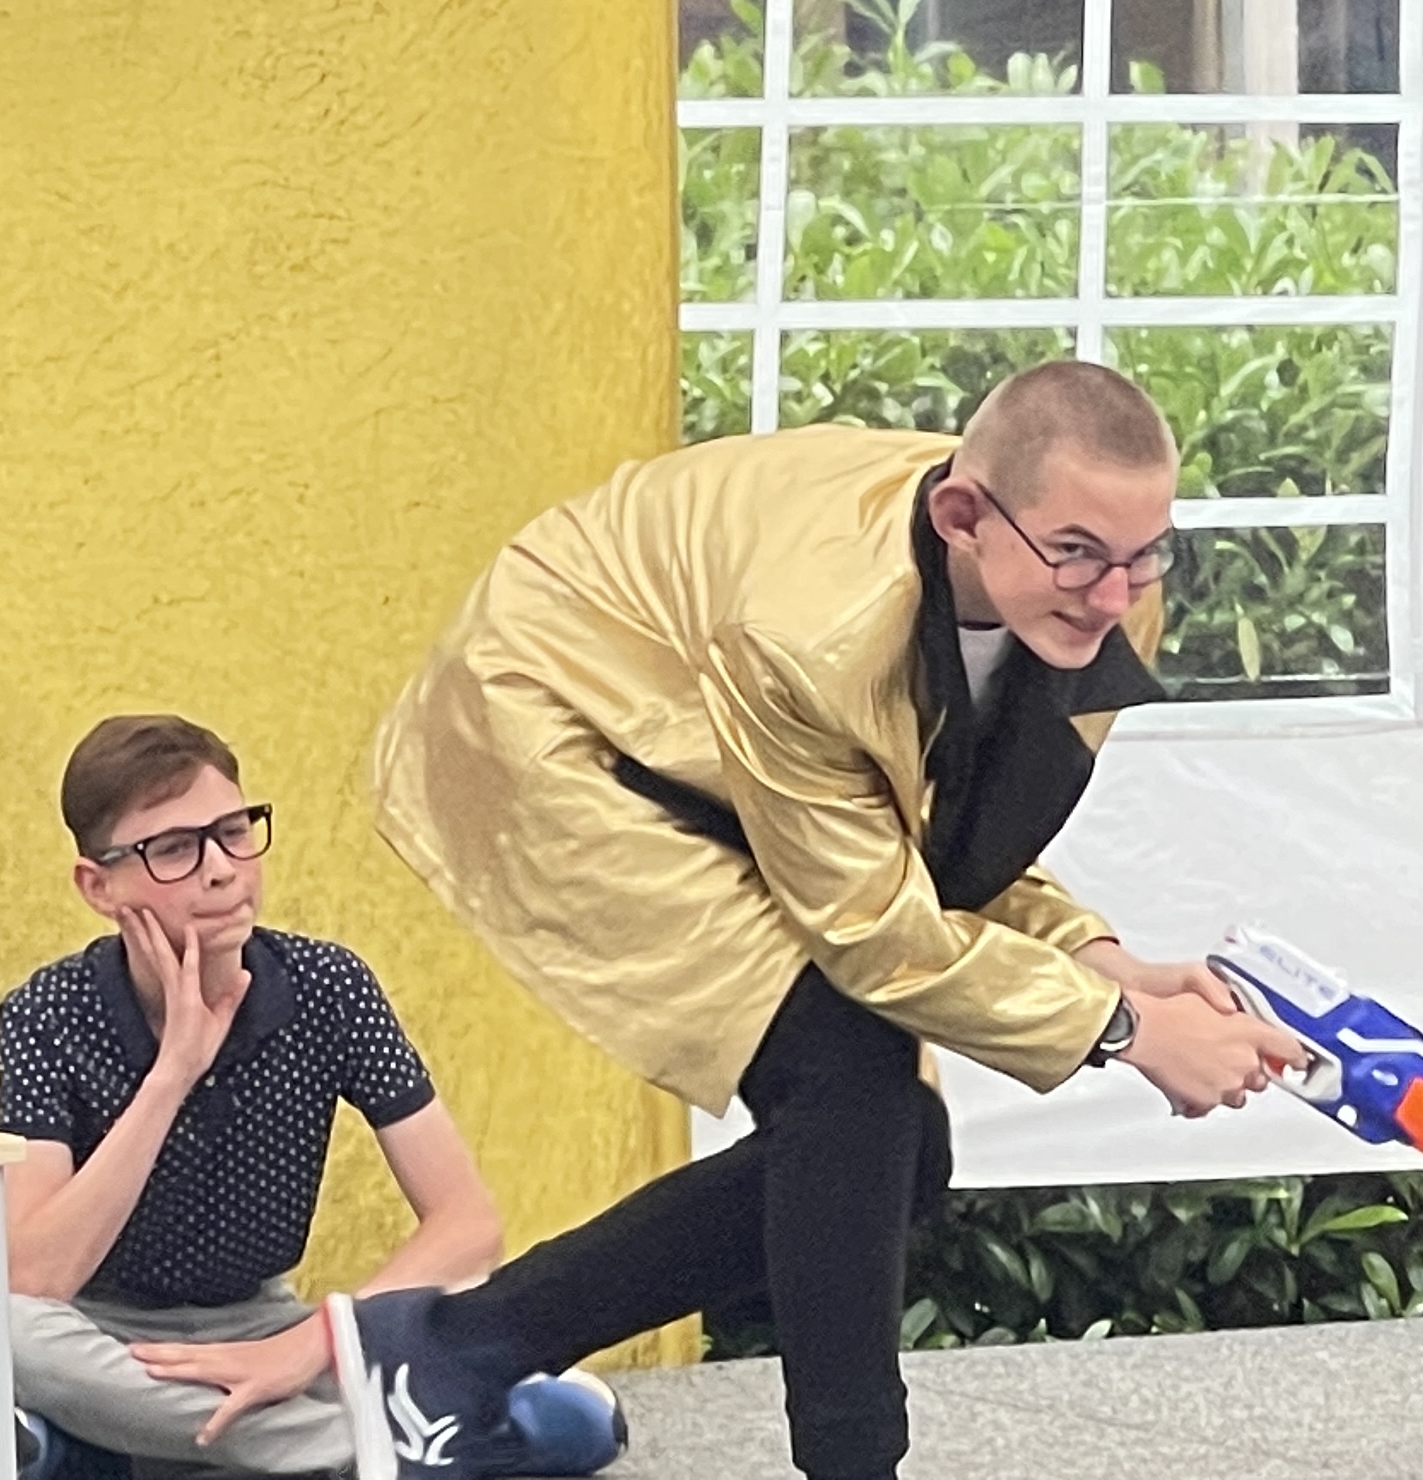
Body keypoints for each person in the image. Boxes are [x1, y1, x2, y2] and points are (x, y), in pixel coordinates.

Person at [333, 366, 1311, 1480]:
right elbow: (878, 936)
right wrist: (1123, 1031)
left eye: (1145, 553)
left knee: (897, 1154)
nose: (1113, 594)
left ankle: (445, 1357)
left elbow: (951, 830)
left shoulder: (1093, 587)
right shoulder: (815, 632)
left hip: (724, 715)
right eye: (1079, 554)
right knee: (849, 1082)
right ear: (964, 515)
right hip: (559, 711)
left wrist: (1101, 961)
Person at [0, 715, 620, 1480]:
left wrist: (315, 1341)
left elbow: (466, 1223)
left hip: (266, 1324)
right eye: (175, 849)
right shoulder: (47, 1013)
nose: (221, 870)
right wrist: (171, 1076)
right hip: (107, 1331)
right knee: (6, 1329)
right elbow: (35, 1279)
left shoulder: (328, 987)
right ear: (99, 885)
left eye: (234, 833)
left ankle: (114, 1448)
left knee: (476, 1324)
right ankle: (385, 1449)